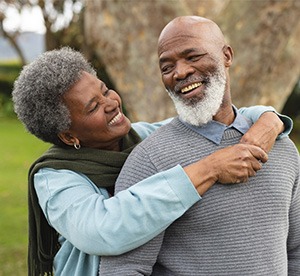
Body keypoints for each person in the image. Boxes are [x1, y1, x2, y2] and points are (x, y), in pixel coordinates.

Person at [12, 47, 291, 276]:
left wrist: (269, 118)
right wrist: (210, 168)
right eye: (93, 107)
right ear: (68, 134)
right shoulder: (55, 178)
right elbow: (103, 230)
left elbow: (216, 117)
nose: (111, 103)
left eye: (105, 90)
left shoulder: (144, 137)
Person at [99, 16, 300, 275]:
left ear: (227, 55)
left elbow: (296, 252)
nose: (180, 73)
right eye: (166, 67)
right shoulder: (148, 160)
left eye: (192, 57)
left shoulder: (282, 148)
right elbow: (123, 269)